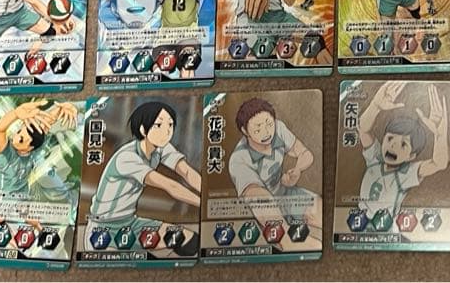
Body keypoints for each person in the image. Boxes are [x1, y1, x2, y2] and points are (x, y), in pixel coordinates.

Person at [85, 101, 201, 256]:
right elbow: (170, 186)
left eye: (170, 125)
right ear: (143, 129)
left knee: (190, 241)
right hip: (102, 228)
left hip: (132, 223)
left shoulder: (161, 147)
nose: (167, 131)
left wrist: (207, 196)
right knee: (141, 262)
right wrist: (202, 203)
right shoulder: (127, 157)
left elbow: (186, 171)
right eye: (159, 125)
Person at [228, 97, 321, 246]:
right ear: (245, 131)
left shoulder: (279, 128)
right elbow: (256, 195)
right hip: (262, 207)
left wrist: (297, 170)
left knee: (323, 215)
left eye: (269, 124)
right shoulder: (239, 159)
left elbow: (305, 154)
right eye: (258, 129)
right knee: (294, 241)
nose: (266, 132)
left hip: (286, 194)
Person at [355, 81, 450, 224]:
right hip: (359, 220)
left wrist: (440, 134)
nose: (393, 145)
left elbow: (439, 163)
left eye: (403, 144)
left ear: (411, 156)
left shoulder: (406, 173)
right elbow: (363, 129)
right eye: (390, 138)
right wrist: (375, 106)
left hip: (385, 228)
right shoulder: (375, 158)